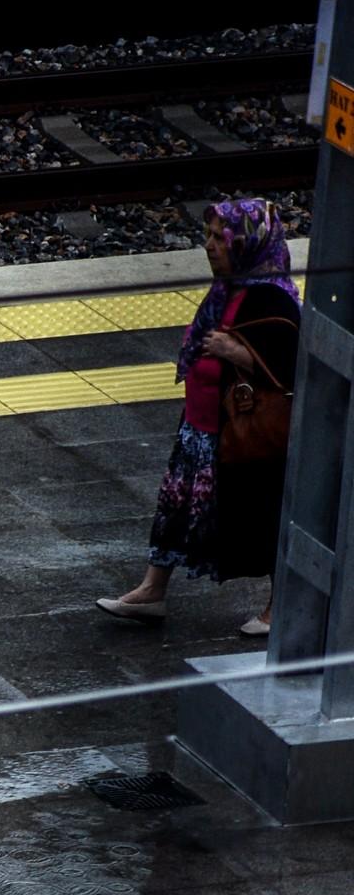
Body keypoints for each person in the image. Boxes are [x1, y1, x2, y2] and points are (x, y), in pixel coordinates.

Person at [98, 198, 301, 638]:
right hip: (200, 428)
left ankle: (279, 606)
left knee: (260, 516)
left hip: (244, 436)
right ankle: (152, 591)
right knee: (175, 510)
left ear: (247, 243)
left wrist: (238, 354)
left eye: (219, 237)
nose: (208, 245)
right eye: (207, 235)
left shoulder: (270, 297)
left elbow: (289, 365)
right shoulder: (229, 288)